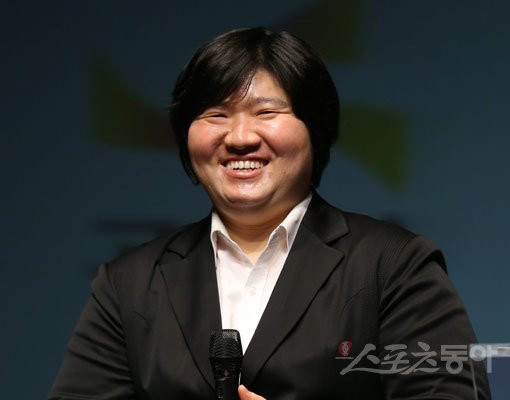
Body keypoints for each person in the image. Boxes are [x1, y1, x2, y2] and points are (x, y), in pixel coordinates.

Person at [49, 27, 491, 399]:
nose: (240, 137)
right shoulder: (129, 283)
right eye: (216, 114)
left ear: (315, 130)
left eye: (266, 112)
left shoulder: (394, 266)